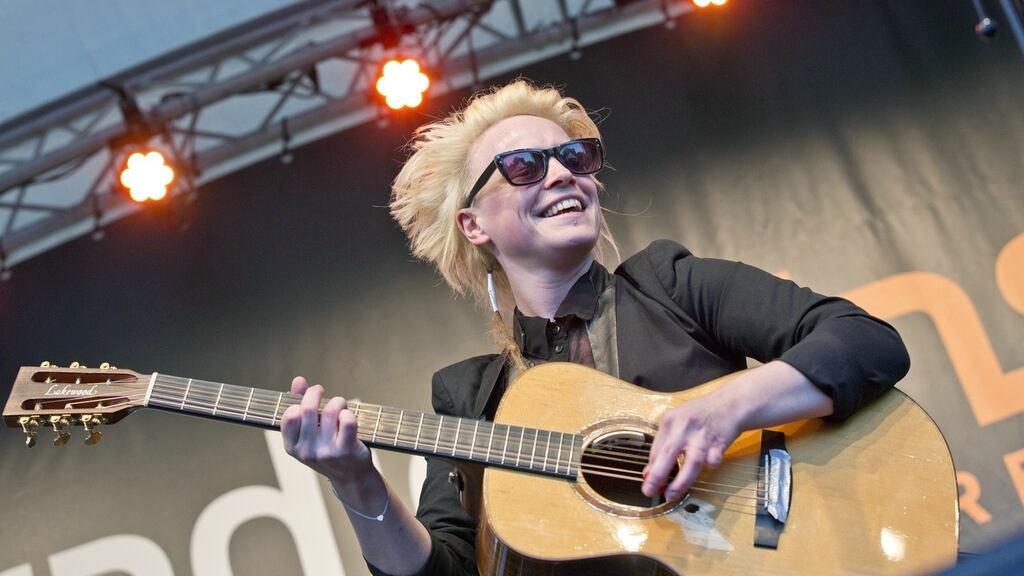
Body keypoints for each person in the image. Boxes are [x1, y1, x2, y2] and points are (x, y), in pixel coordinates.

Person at [280, 80, 910, 576]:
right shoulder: (470, 400)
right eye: (524, 165)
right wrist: (356, 481)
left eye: (574, 156)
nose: (561, 174)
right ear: (475, 225)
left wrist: (729, 408)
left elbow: (866, 341)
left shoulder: (671, 284)